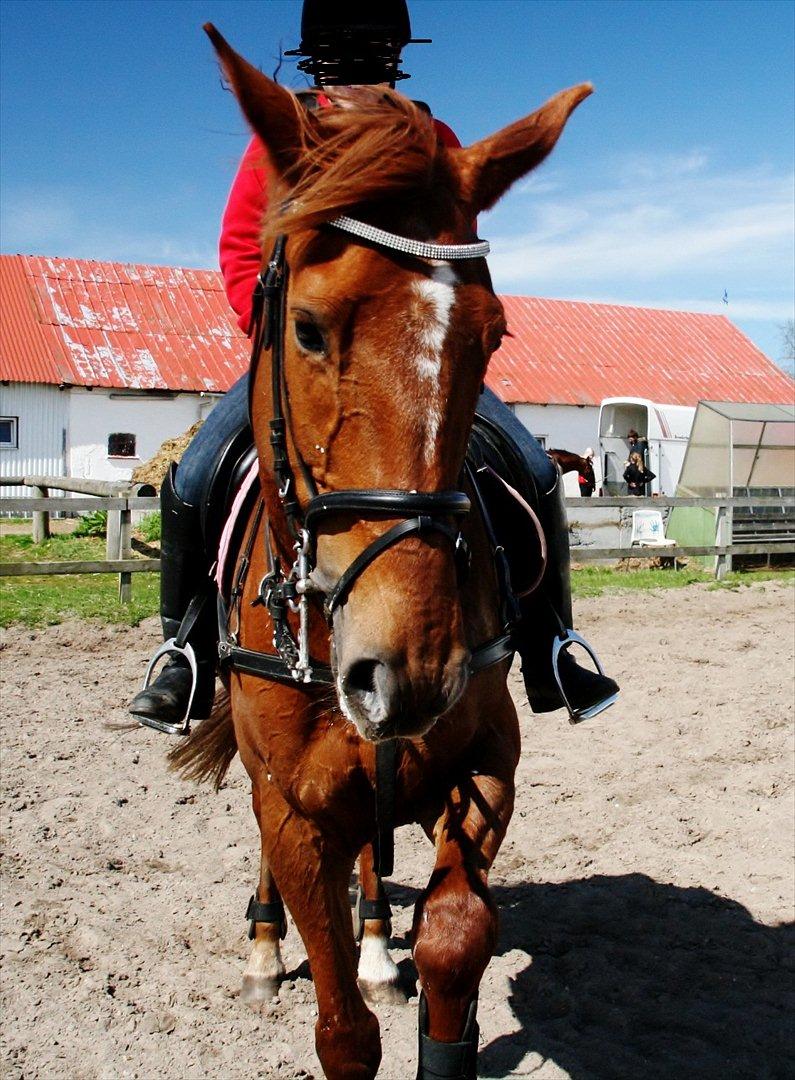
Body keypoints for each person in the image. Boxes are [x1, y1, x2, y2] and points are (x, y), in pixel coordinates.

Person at [129, 0, 618, 732]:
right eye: (343, 50)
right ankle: (185, 651)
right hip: (307, 356)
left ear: (395, 53)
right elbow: (238, 254)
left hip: (415, 364)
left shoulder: (436, 138)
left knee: (535, 470)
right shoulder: (287, 135)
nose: (359, 64)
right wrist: (286, 342)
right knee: (195, 475)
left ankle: (552, 645)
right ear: (317, 57)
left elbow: (450, 256)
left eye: (371, 48)